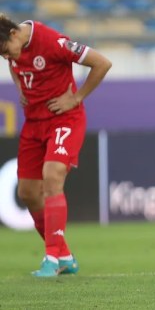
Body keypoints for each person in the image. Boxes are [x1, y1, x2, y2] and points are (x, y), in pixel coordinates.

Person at [1, 15, 112, 277]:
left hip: (64, 119)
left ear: (14, 34)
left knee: (52, 178)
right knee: (28, 192)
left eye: (5, 51)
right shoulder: (14, 52)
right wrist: (20, 88)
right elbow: (15, 64)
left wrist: (76, 98)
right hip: (33, 124)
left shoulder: (52, 42)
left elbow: (102, 63)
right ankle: (64, 255)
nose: (6, 58)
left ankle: (51, 256)